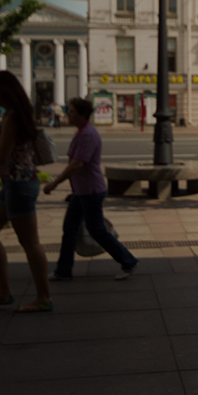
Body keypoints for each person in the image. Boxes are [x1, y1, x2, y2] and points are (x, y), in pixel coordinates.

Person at [0, 70, 52, 313]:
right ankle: (4, 291)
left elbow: (1, 159)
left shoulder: (13, 118)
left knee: (30, 243)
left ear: (4, 91)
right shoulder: (12, 115)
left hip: (19, 185)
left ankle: (44, 297)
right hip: (14, 184)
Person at [44, 97, 139, 281]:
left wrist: (54, 184)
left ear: (81, 114)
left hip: (91, 191)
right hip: (81, 191)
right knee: (70, 228)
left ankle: (129, 261)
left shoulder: (87, 134)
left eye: (71, 111)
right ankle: (63, 270)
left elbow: (77, 164)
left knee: (96, 230)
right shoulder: (81, 132)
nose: (67, 114)